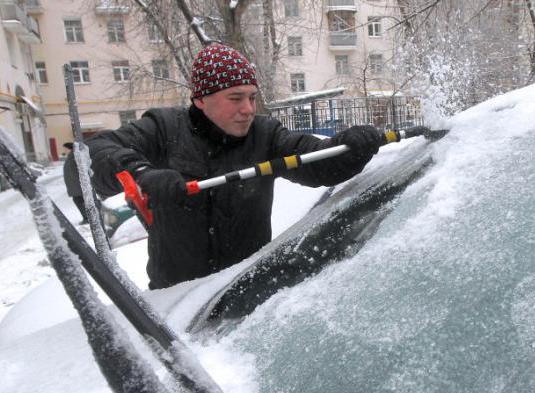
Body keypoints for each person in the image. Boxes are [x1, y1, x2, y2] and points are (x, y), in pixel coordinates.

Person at [87, 43, 383, 289]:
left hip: (248, 295)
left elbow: (316, 160)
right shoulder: (165, 129)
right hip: (177, 304)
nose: (248, 109)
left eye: (252, 97)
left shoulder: (265, 135)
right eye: (235, 98)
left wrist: (349, 148)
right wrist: (142, 173)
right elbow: (97, 152)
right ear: (201, 99)